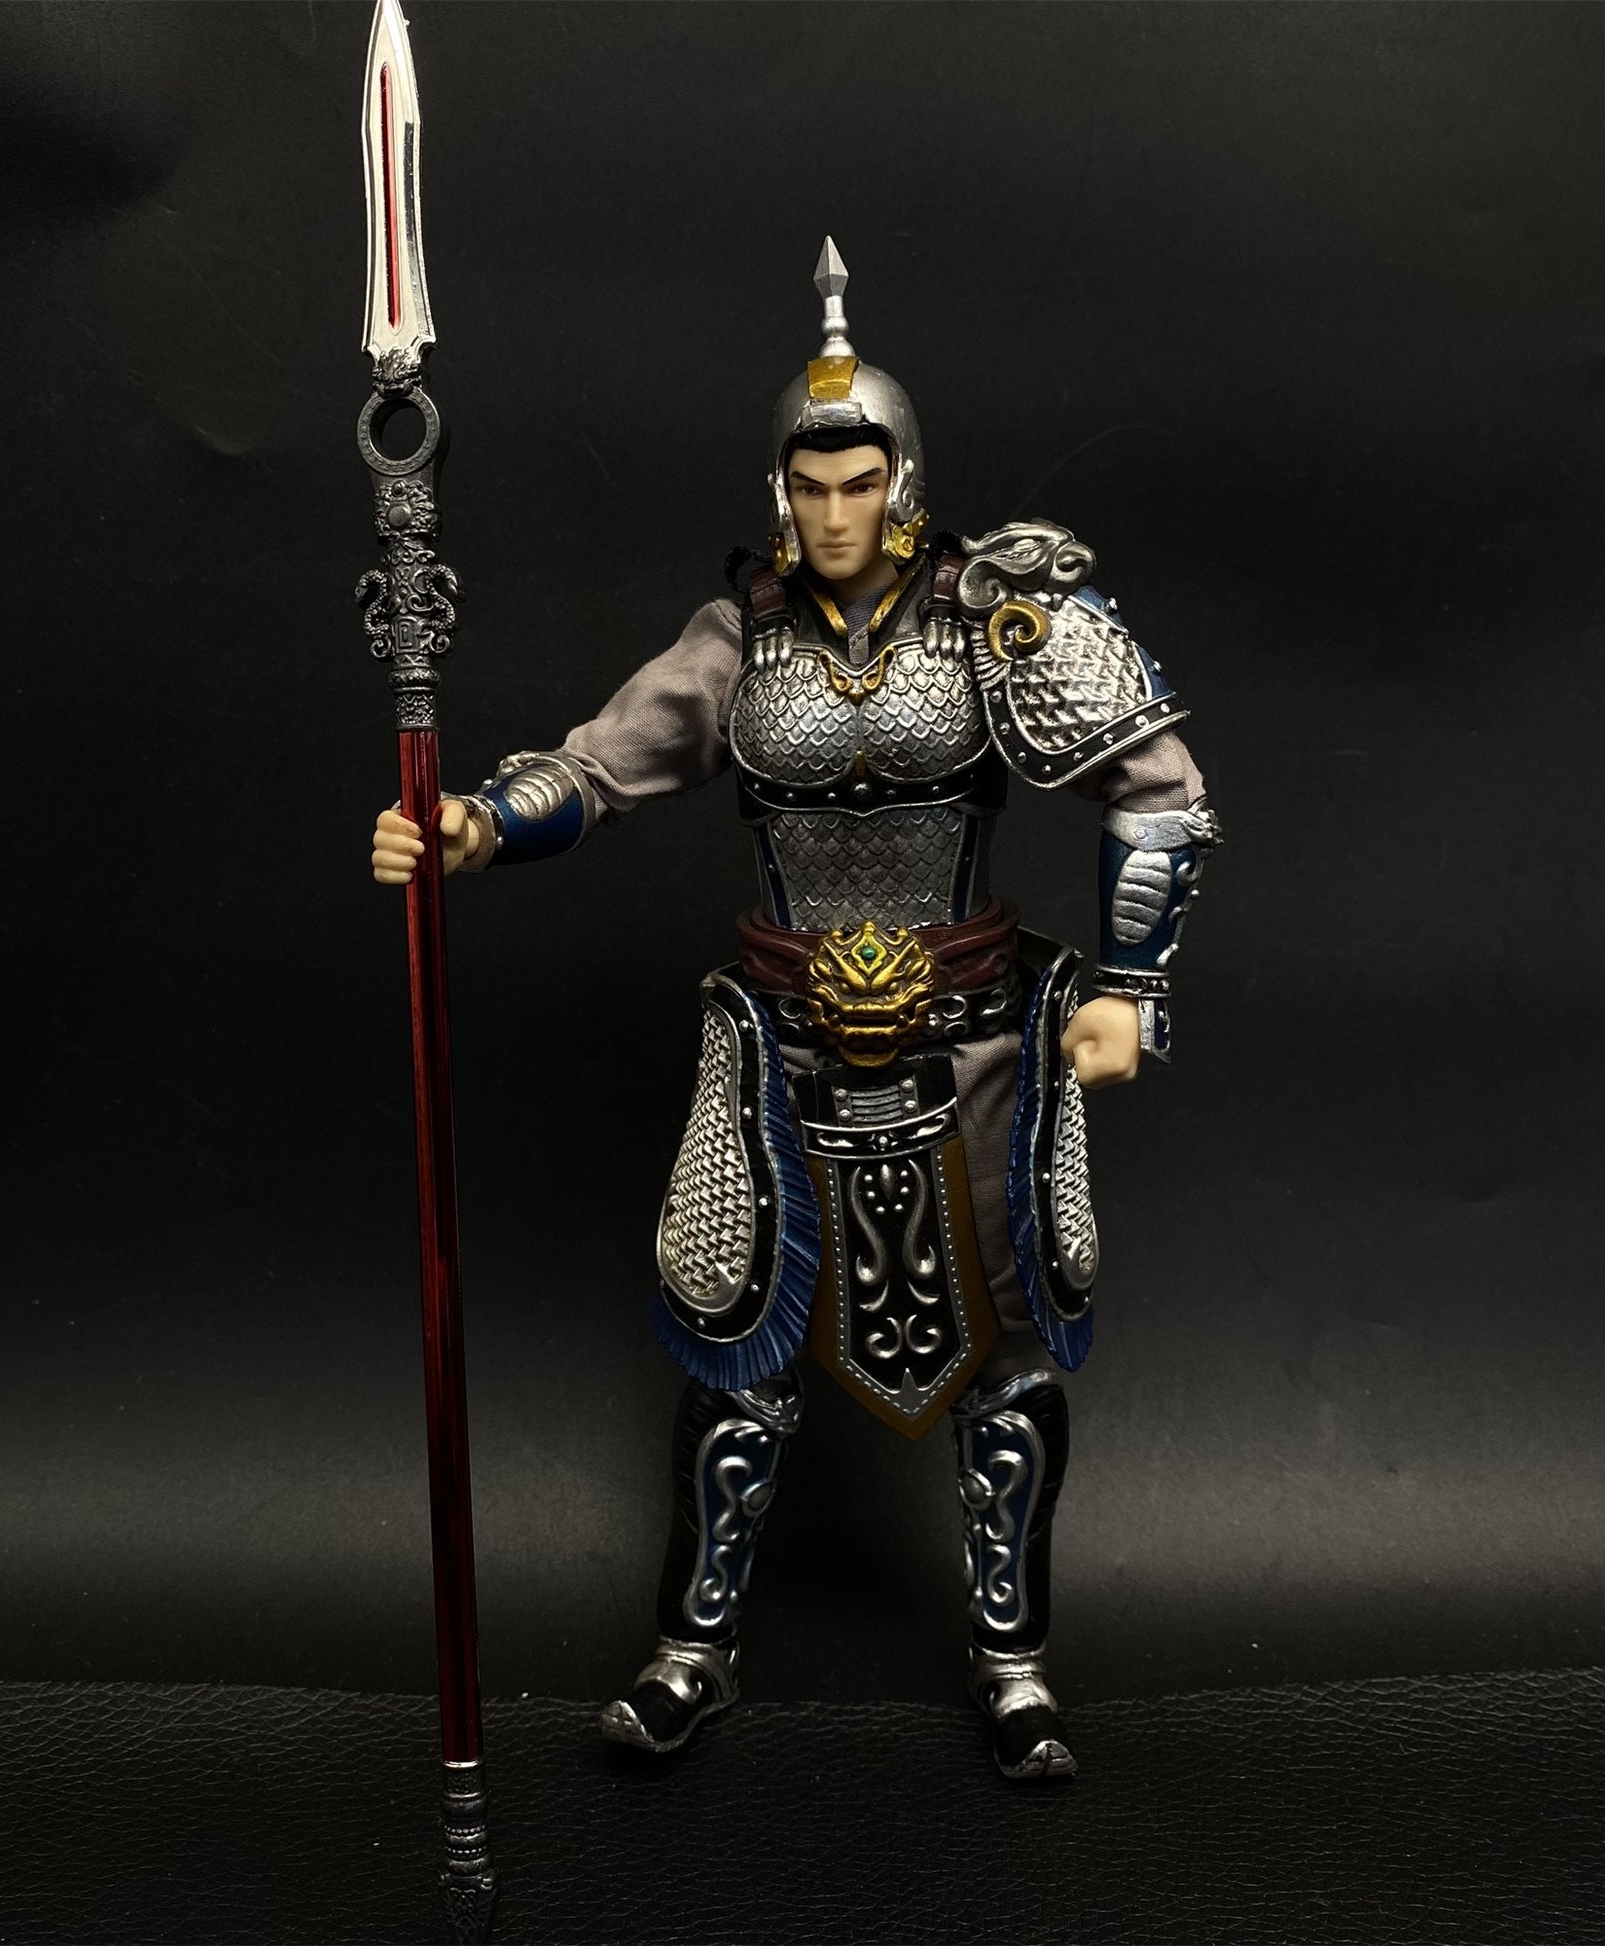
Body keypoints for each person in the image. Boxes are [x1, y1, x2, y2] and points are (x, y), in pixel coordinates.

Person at [369, 239, 1219, 1781]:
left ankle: (1014, 1660)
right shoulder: (738, 639)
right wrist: (480, 823)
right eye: (810, 486)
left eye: (860, 484)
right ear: (780, 490)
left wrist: (1131, 988)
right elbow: (599, 764)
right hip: (781, 1035)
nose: (835, 514)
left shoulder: (1001, 619)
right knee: (732, 1355)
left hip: (973, 1037)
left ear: (903, 483)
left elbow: (1158, 789)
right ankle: (692, 1648)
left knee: (1006, 1357)